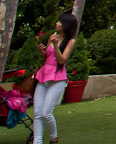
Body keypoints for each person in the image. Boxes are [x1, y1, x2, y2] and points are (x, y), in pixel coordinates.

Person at [33, 13, 77, 144]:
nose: (57, 24)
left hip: (57, 78)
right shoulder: (53, 37)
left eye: (60, 22)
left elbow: (62, 60)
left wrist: (56, 45)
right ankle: (37, 141)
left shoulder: (71, 41)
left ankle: (53, 138)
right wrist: (41, 50)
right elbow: (47, 57)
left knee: (46, 113)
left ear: (67, 25)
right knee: (37, 113)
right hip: (44, 75)